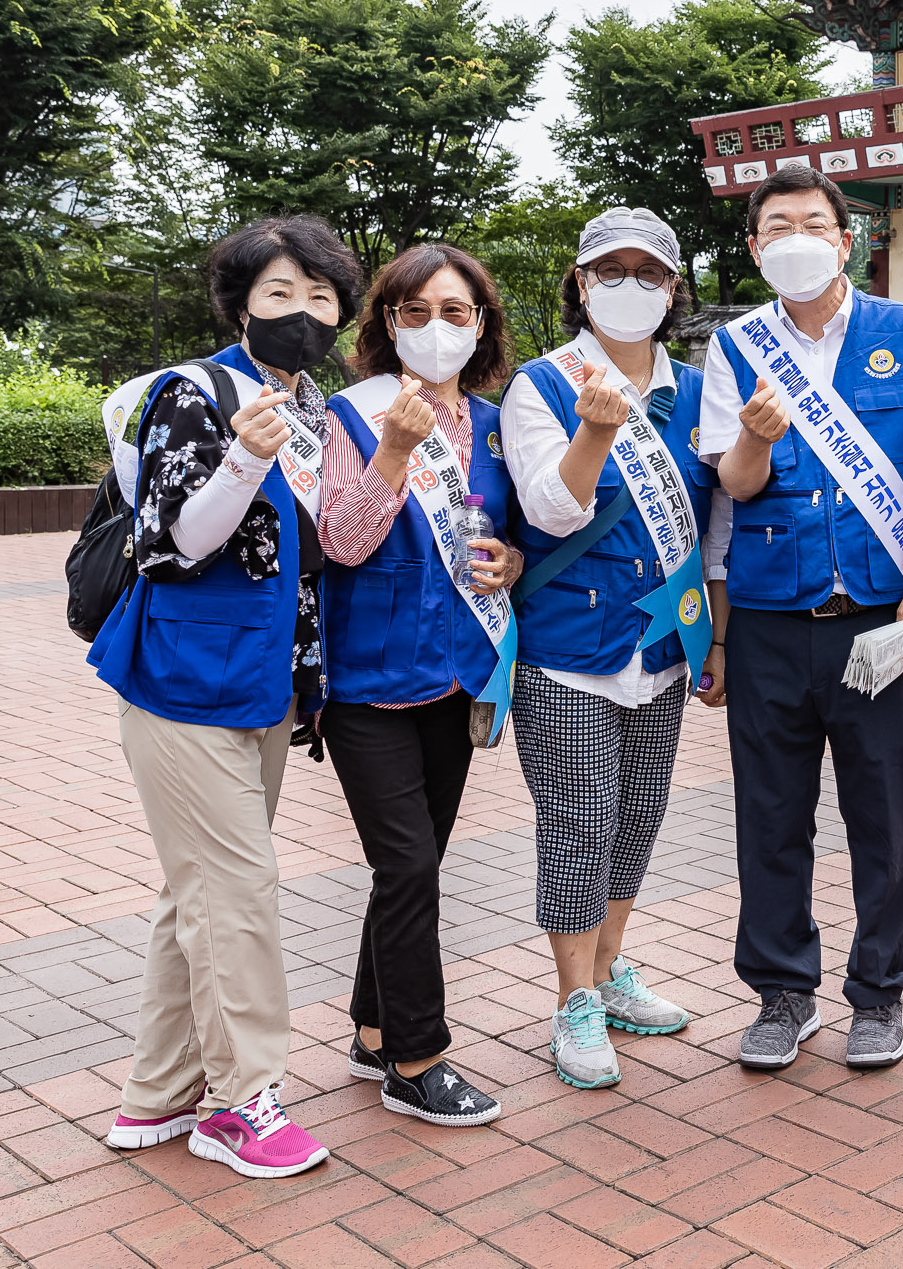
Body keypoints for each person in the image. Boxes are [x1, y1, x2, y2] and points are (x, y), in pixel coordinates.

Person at [89, 215, 361, 1179]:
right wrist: (244, 458)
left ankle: (158, 1094)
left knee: (197, 890)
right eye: (281, 294)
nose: (303, 313)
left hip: (267, 686)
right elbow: (171, 546)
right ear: (240, 302)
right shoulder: (196, 395)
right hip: (183, 682)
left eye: (321, 296)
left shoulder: (312, 404)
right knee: (237, 890)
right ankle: (244, 1102)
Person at [702, 169, 903, 1073]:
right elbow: (730, 485)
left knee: (880, 814)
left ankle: (878, 993)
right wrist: (758, 437)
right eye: (777, 226)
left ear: (846, 240)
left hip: (880, 620)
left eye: (815, 223)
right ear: (757, 246)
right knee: (770, 814)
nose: (796, 237)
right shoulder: (733, 346)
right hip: (772, 618)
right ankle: (781, 992)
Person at [502, 207, 712, 1090]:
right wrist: (595, 427)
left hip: (661, 644)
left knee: (635, 815)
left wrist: (715, 641)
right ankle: (570, 999)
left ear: (673, 290)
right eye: (609, 271)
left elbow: (718, 523)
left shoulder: (700, 390)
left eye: (650, 273)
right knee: (577, 820)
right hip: (566, 648)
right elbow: (552, 510)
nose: (630, 287)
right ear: (580, 285)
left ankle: (611, 968)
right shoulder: (540, 387)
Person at [316, 244, 523, 1127]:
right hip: (366, 682)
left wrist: (511, 560)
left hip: (456, 674)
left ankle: (371, 1030)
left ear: (480, 325)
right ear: (385, 323)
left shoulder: (498, 422)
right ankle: (418, 1057)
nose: (434, 328)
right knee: (405, 866)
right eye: (413, 311)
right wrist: (395, 454)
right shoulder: (348, 416)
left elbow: (510, 538)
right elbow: (341, 540)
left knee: (414, 866)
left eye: (455, 311)